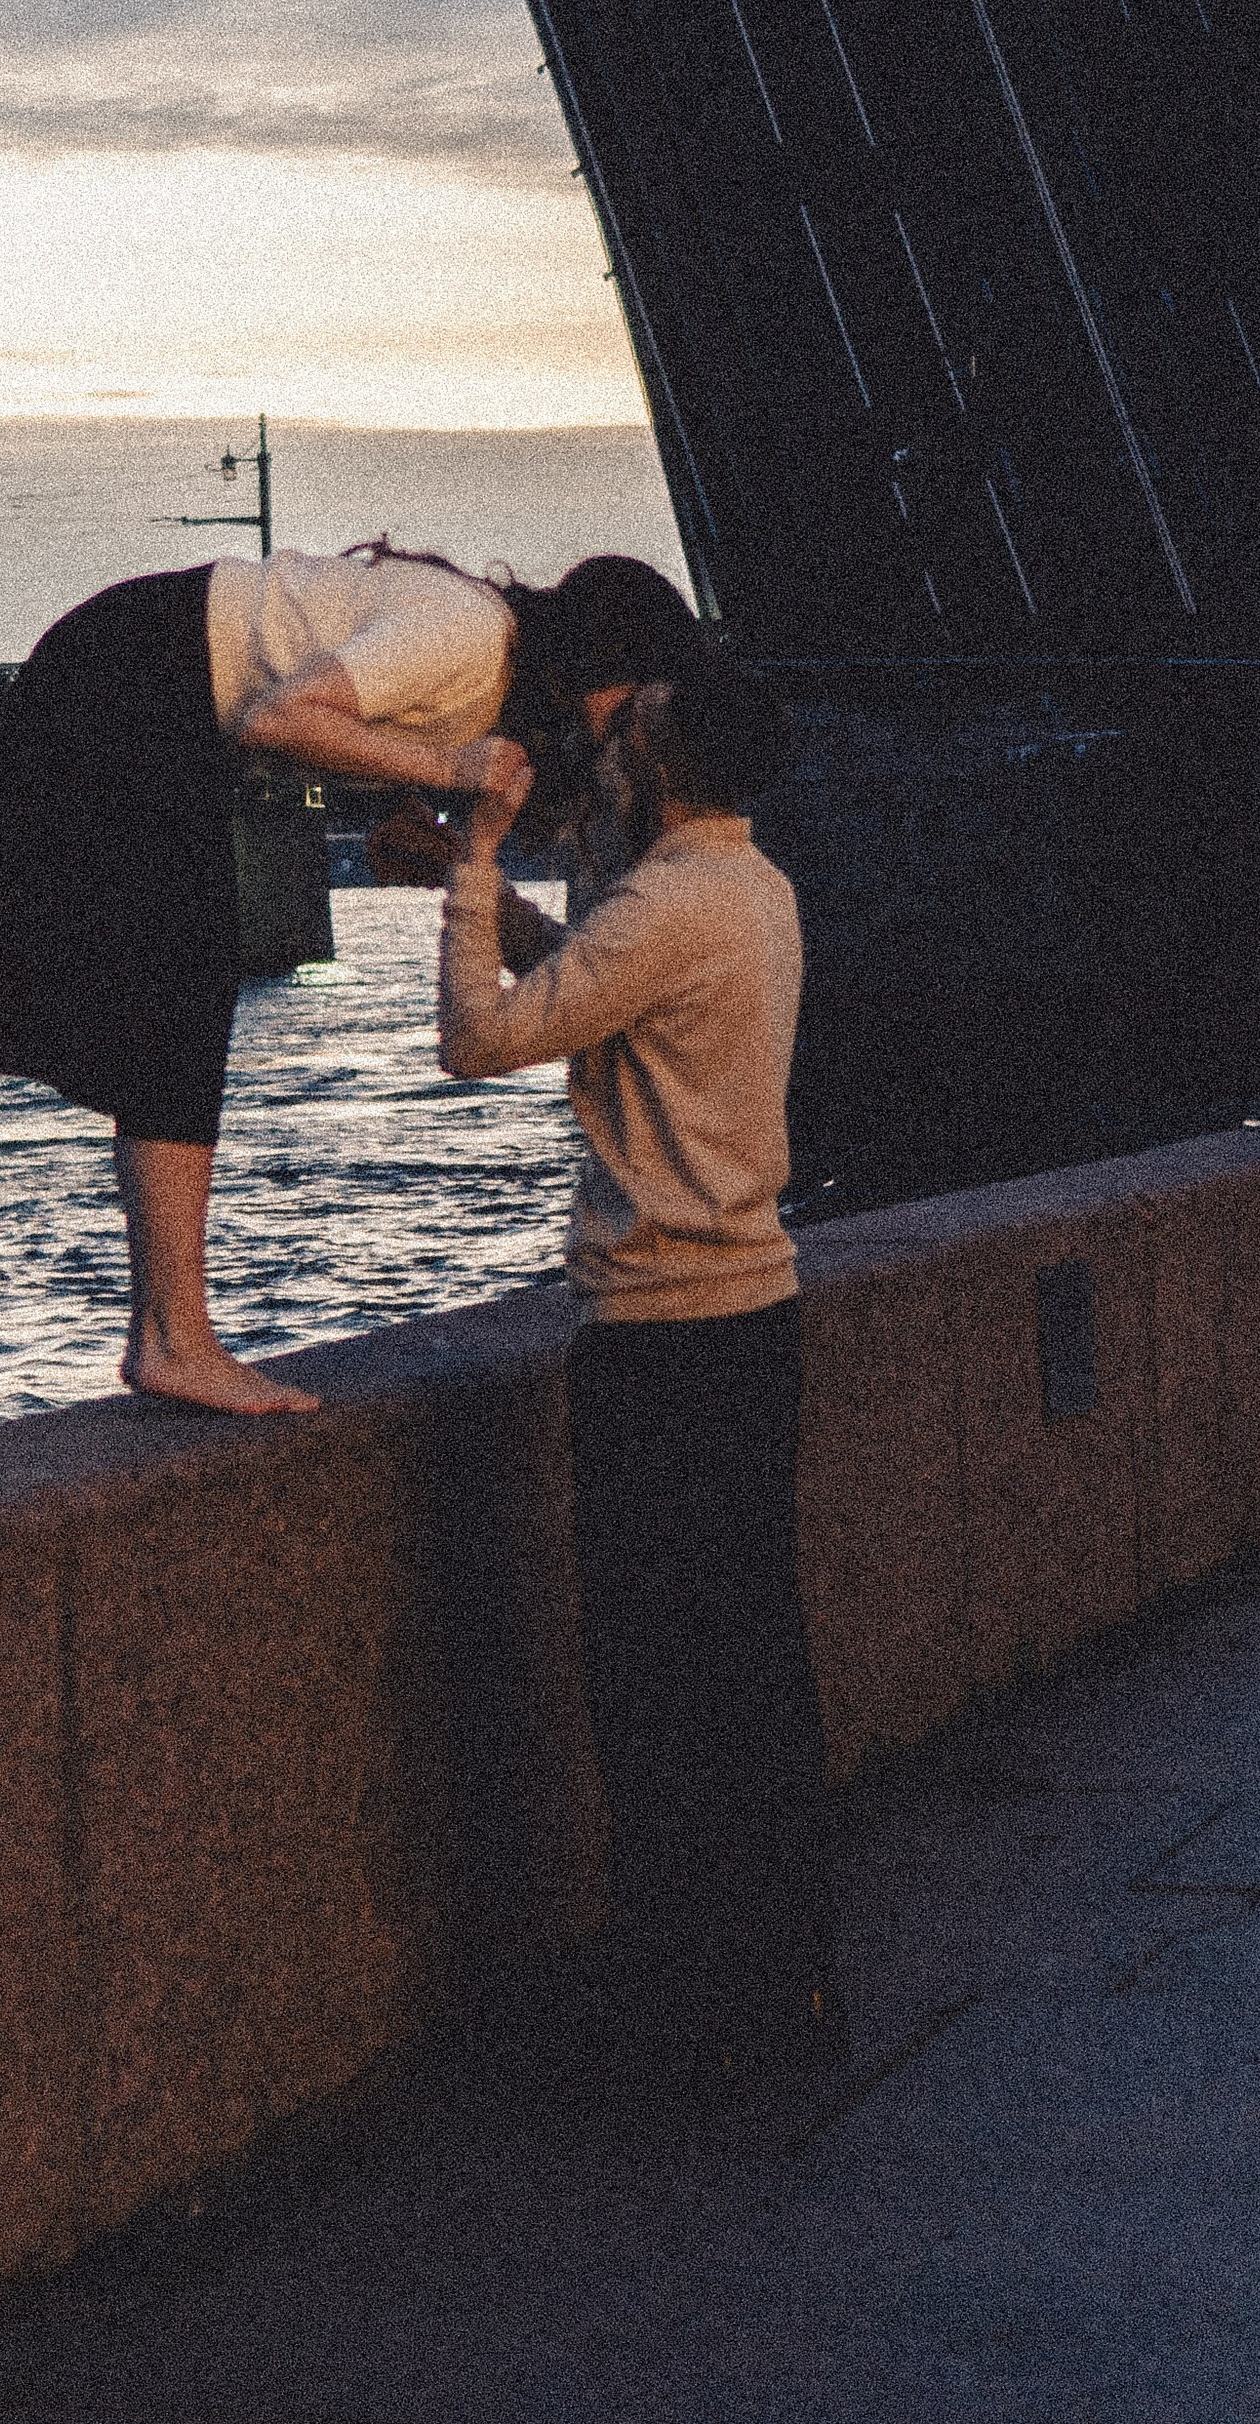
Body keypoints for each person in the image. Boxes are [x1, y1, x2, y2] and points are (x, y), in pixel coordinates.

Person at [0, 541, 699, 1416]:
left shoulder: (492, 669)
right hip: (126, 674)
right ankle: (172, 1341)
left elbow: (339, 717)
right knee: (180, 997)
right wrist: (448, 771)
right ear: (605, 657)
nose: (634, 724)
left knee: (179, 998)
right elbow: (275, 717)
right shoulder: (470, 634)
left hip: (144, 681)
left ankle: (167, 1335)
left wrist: (402, 811)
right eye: (639, 693)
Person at [436, 655, 840, 2100]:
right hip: (756, 1319)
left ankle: (685, 2015)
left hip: (662, 1337)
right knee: (752, 1670)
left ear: (664, 767)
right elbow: (606, 987)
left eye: (636, 731)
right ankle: (786, 1983)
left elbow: (482, 1039)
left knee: (655, 1689)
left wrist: (473, 864)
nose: (612, 747)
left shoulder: (666, 904)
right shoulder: (753, 888)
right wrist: (509, 910)